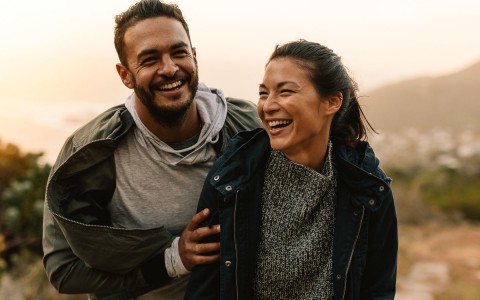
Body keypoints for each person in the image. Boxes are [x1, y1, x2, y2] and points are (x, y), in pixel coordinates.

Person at [42, 0, 261, 299]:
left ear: (194, 57)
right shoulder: (88, 151)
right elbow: (63, 271)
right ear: (125, 75)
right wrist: (172, 261)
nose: (170, 69)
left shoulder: (249, 127)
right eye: (149, 59)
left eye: (179, 52)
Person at [185, 40, 398, 300]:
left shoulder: (369, 189)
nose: (268, 106)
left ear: (331, 102)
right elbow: (204, 291)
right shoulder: (232, 178)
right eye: (264, 93)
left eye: (285, 92)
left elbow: (378, 291)